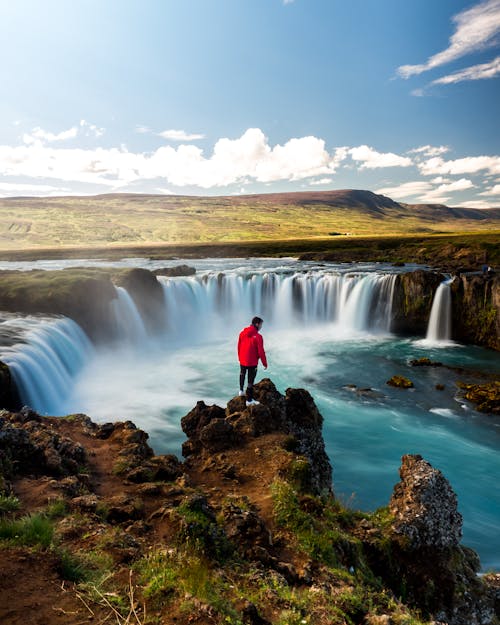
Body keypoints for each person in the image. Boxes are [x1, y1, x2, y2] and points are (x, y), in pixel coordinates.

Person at [237, 316, 267, 406]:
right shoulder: (258, 336)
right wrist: (264, 363)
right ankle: (249, 400)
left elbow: (238, 346)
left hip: (243, 359)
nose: (261, 327)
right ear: (257, 324)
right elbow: (261, 351)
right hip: (252, 361)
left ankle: (241, 391)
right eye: (261, 325)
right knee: (251, 379)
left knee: (242, 373)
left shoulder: (242, 333)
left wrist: (240, 357)